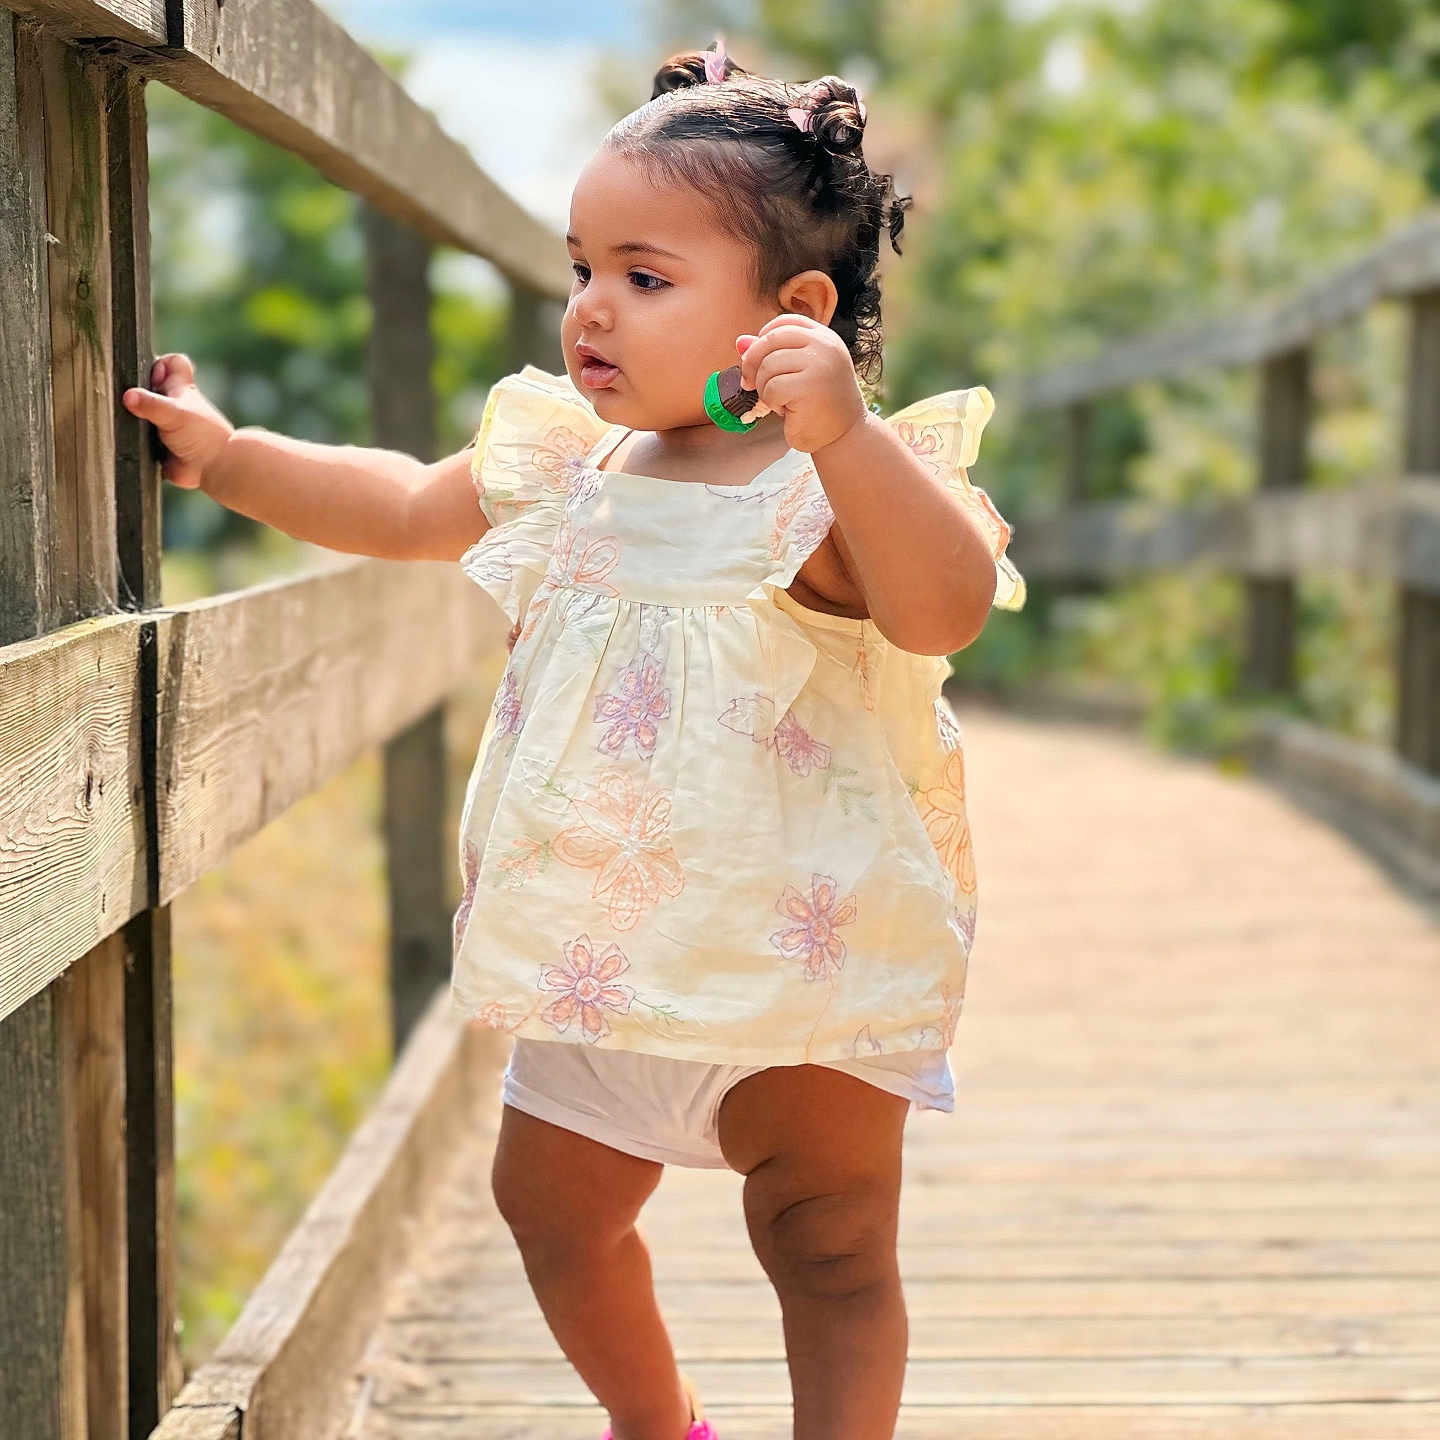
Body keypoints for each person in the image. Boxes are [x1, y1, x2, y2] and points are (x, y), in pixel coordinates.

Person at [122, 33, 1025, 1440]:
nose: (592, 308)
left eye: (645, 279)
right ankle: (658, 1424)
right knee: (551, 1214)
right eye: (582, 268)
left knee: (829, 1245)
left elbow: (942, 609)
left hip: (807, 965)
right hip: (597, 958)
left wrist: (849, 439)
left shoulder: (825, 495)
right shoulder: (574, 467)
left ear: (791, 313)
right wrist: (232, 458)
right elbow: (401, 503)